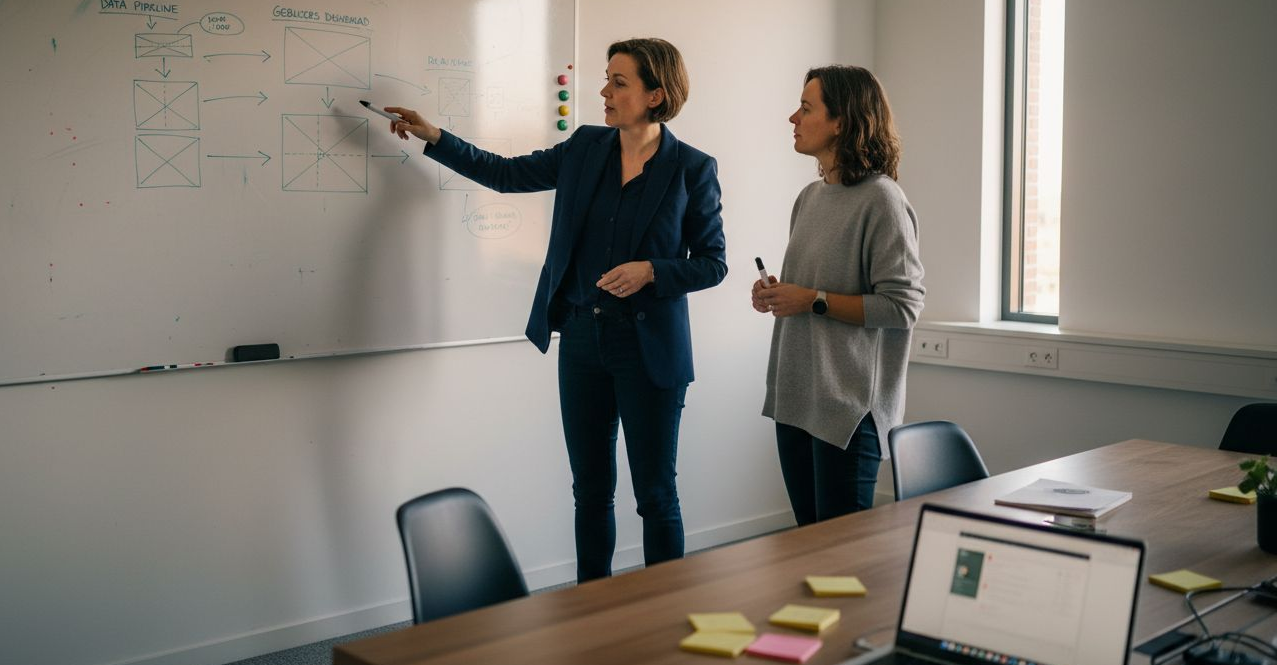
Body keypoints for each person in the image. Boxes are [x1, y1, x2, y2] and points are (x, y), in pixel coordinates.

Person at [385, 38, 726, 581]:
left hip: (650, 352)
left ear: (656, 94)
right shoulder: (585, 147)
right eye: (606, 78)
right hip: (583, 341)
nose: (604, 91)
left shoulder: (691, 168)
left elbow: (713, 263)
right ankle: (591, 611)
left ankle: (667, 612)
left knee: (656, 495)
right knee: (590, 492)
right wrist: (435, 137)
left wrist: (653, 270)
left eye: (619, 82)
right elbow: (505, 174)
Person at [752, 65, 924, 525]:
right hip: (795, 399)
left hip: (847, 410)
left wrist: (811, 299)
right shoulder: (809, 198)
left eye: (806, 108)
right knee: (808, 551)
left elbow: (902, 306)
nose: (793, 117)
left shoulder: (882, 200)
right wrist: (776, 296)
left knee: (839, 563)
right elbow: (808, 294)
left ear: (841, 122)